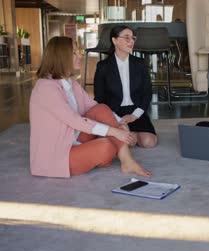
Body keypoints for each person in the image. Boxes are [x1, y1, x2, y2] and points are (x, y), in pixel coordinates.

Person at [30, 36, 151, 178]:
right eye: (74, 53)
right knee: (107, 146)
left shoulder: (69, 82)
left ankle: (127, 161)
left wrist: (120, 123)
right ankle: (103, 155)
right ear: (61, 57)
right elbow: (75, 121)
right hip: (58, 154)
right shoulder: (45, 88)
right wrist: (115, 132)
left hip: (74, 138)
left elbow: (94, 107)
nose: (79, 56)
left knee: (102, 109)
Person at [94, 25, 157, 148]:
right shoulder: (103, 66)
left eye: (133, 38)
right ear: (114, 40)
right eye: (126, 38)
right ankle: (128, 135)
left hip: (136, 110)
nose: (131, 41)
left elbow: (147, 92)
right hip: (114, 112)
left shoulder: (140, 63)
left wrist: (135, 115)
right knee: (117, 141)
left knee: (149, 142)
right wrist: (117, 118)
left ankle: (129, 135)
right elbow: (100, 98)